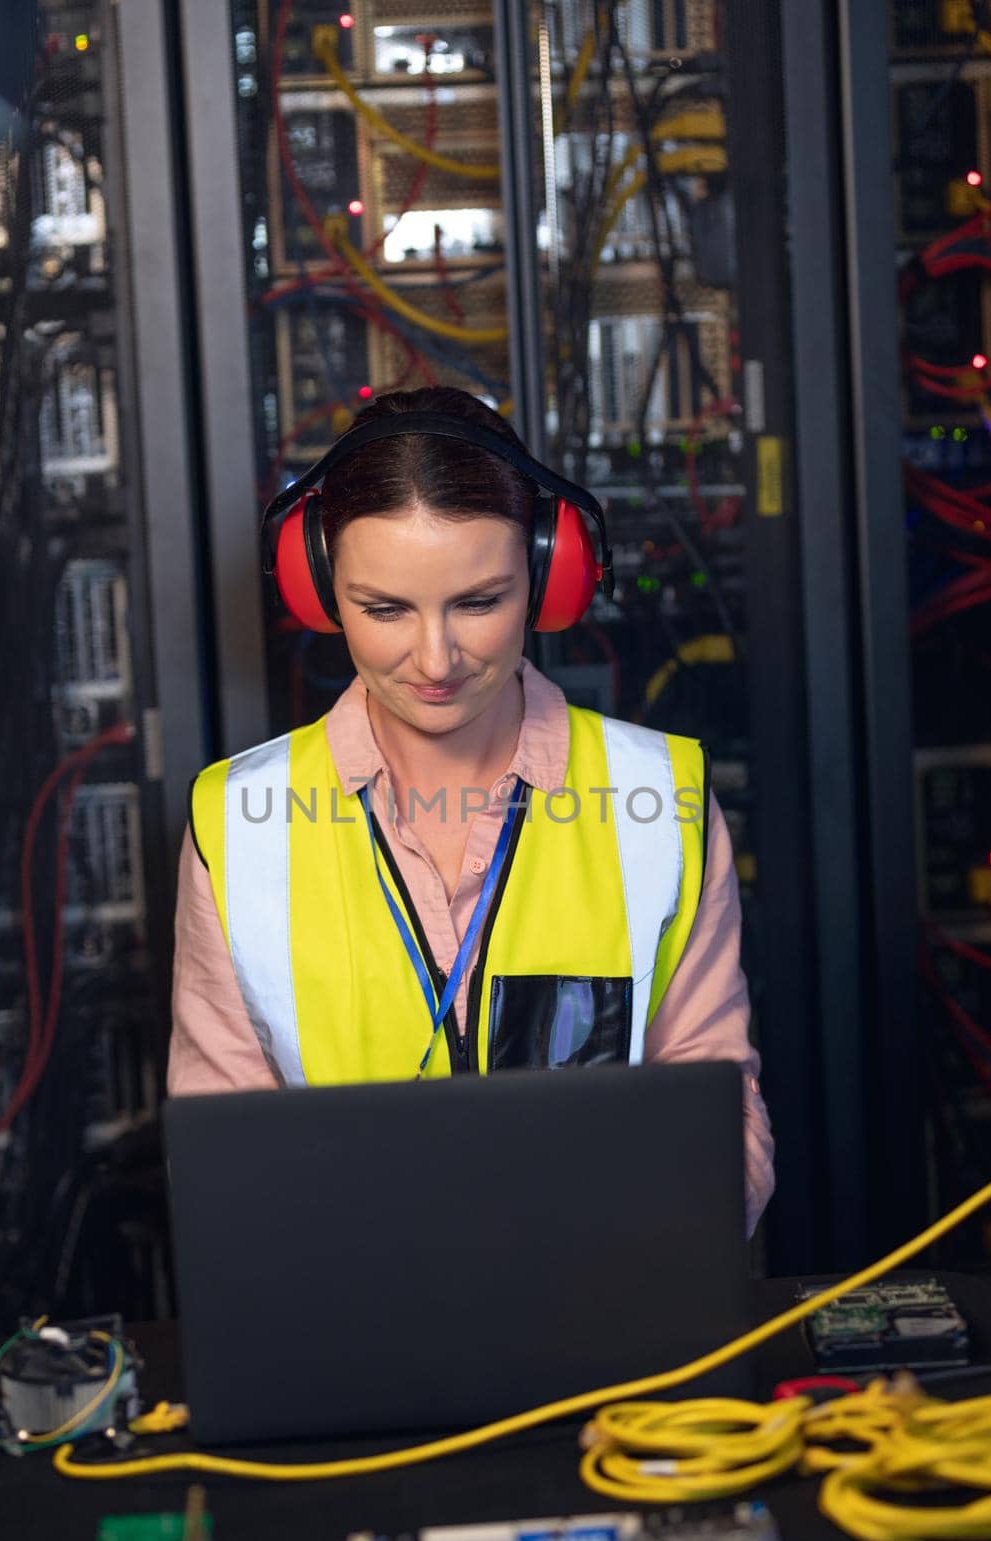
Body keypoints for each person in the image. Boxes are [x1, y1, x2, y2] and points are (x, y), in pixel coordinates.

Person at [168, 386, 775, 1235]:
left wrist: (643, 1256)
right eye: (383, 609)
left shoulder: (660, 800)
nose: (434, 658)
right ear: (317, 591)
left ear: (547, 580)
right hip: (348, 1332)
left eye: (479, 603)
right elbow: (220, 1164)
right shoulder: (236, 823)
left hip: (607, 1317)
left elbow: (722, 1118)